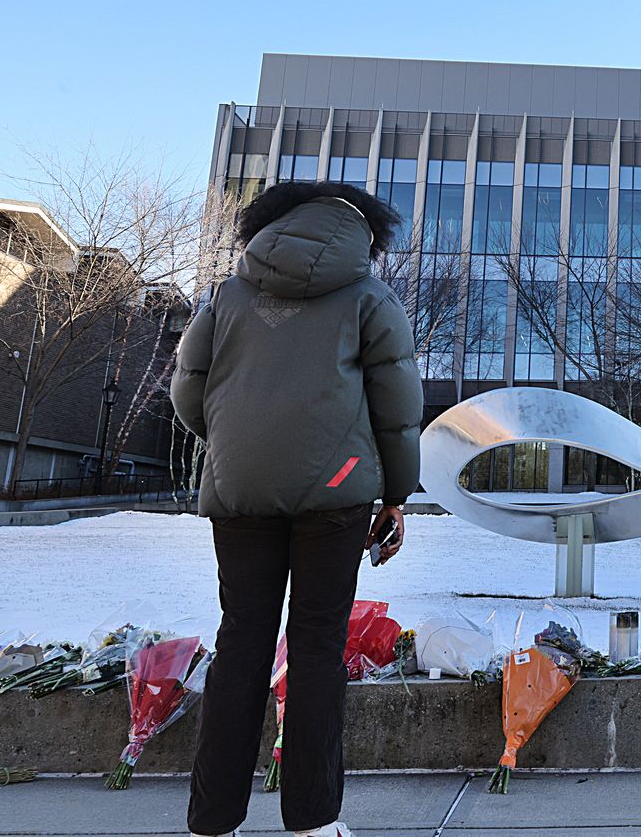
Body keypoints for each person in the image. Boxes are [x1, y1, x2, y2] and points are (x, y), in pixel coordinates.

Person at [171, 182, 423, 837]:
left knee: (241, 640)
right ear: (363, 237)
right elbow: (396, 409)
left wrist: (239, 445)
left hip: (240, 490)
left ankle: (211, 820)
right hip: (336, 494)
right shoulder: (369, 297)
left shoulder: (227, 295)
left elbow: (187, 388)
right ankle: (313, 822)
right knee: (316, 645)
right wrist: (395, 494)